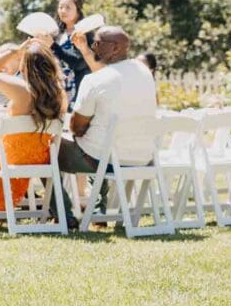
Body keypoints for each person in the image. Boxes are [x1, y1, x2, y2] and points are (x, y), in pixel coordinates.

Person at [56, 27, 158, 224]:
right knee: (99, 142)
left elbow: (77, 127)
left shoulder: (96, 79)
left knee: (48, 148)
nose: (93, 47)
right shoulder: (144, 73)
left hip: (104, 161)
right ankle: (97, 210)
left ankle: (64, 214)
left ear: (116, 48)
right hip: (143, 158)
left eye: (98, 43)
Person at [0, 39, 68, 213]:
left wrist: (14, 51)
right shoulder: (59, 94)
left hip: (12, 157)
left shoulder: (22, 89)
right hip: (39, 156)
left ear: (25, 67)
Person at [53, 0, 96, 105]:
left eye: (68, 7)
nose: (63, 11)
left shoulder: (85, 33)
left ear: (78, 10)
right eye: (60, 7)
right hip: (56, 90)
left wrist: (53, 46)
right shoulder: (55, 33)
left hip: (78, 90)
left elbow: (79, 63)